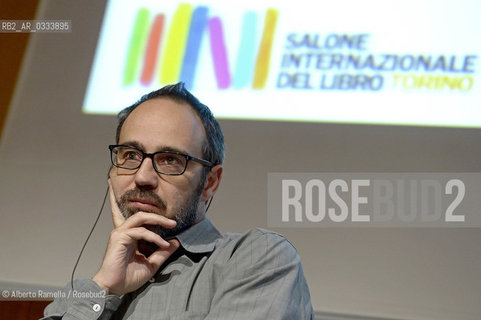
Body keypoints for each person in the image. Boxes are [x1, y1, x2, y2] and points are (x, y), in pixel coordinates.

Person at [42, 83, 314, 319]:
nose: (142, 177)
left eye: (170, 160)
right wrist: (105, 288)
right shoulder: (83, 295)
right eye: (131, 155)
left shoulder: (258, 259)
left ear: (210, 182)